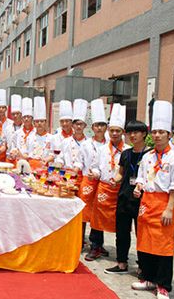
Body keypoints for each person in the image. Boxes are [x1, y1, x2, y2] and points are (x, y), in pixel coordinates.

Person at [132, 101, 174, 299]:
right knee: (145, 242)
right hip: (146, 204)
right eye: (154, 131)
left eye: (161, 132)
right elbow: (141, 177)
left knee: (163, 246)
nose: (157, 135)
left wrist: (169, 209)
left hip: (164, 204)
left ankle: (163, 285)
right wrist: (138, 187)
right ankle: (148, 278)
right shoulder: (148, 157)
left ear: (169, 134)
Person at [104, 120, 150, 275]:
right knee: (122, 232)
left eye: (136, 132)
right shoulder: (126, 153)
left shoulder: (150, 154)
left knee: (141, 234)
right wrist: (114, 180)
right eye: (130, 132)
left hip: (141, 200)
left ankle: (143, 265)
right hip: (124, 197)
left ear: (144, 134)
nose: (133, 135)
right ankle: (122, 262)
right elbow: (121, 173)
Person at [86, 104, 130, 261]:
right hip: (104, 188)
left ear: (123, 132)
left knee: (121, 222)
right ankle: (96, 246)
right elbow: (98, 168)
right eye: (112, 130)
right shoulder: (103, 149)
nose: (115, 133)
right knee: (97, 220)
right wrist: (94, 174)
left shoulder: (128, 150)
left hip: (120, 190)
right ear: (108, 131)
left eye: (118, 130)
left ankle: (121, 255)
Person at [79, 99, 108, 248]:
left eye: (102, 125)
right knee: (83, 212)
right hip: (87, 181)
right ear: (92, 127)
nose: (99, 128)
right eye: (97, 125)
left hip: (103, 183)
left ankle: (97, 244)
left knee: (99, 212)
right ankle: (80, 240)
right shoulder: (85, 144)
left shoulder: (110, 145)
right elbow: (80, 162)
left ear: (106, 127)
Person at [55, 99, 88, 188]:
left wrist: (76, 170)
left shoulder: (88, 143)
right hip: (66, 176)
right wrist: (59, 164)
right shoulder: (66, 141)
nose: (78, 127)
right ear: (72, 125)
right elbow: (60, 157)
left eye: (81, 124)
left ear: (85, 126)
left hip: (82, 178)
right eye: (76, 124)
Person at [20, 96, 53, 171]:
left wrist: (48, 158)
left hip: (44, 168)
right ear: (34, 123)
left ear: (45, 122)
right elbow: (25, 153)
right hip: (29, 168)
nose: (39, 124)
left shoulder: (51, 138)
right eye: (37, 121)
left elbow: (53, 154)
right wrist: (19, 154)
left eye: (42, 121)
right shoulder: (29, 137)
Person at [5, 95, 23, 162]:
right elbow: (5, 144)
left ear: (21, 114)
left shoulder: (25, 129)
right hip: (9, 158)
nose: (15, 116)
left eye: (17, 114)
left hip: (21, 159)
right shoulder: (8, 128)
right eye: (13, 114)